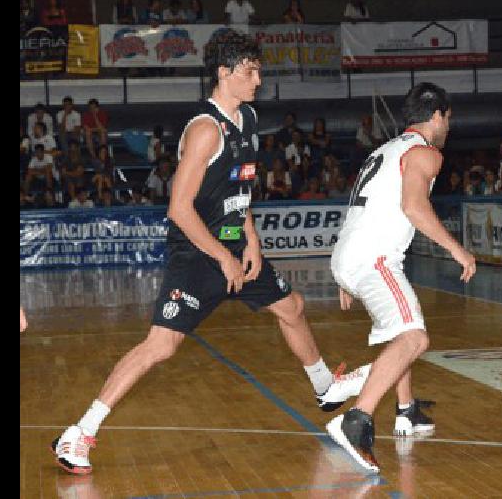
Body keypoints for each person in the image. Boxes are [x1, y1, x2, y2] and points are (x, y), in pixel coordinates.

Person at [51, 29, 368, 475]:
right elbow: (179, 209)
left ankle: (324, 387)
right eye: (250, 71)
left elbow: (240, 189)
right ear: (224, 74)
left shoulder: (250, 120)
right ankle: (79, 432)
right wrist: (222, 255)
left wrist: (251, 240)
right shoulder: (204, 130)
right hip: (199, 255)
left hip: (236, 248)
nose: (258, 79)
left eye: (258, 70)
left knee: (292, 307)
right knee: (160, 347)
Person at [325, 82, 477, 473]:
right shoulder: (426, 153)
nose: (449, 126)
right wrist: (457, 249)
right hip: (373, 256)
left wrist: (345, 275)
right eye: (449, 118)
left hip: (351, 251)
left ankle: (406, 410)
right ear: (438, 115)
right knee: (414, 337)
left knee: (402, 329)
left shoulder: (382, 150)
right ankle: (355, 418)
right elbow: (414, 205)